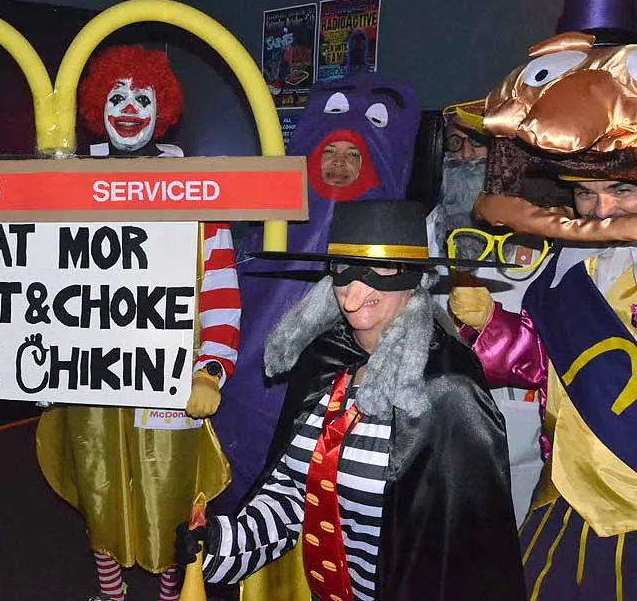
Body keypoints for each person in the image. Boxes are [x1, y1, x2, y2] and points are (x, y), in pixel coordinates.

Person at [178, 200, 526, 601]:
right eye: (345, 266)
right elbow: (293, 495)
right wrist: (220, 542)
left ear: (414, 278)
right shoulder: (323, 361)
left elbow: (467, 555)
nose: (356, 289)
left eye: (382, 269)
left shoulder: (449, 390)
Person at [450, 0, 637, 599]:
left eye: (621, 192)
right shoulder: (564, 268)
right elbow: (542, 362)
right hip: (564, 496)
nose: (601, 211)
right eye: (585, 194)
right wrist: (489, 328)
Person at [37, 44, 241, 601]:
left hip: (168, 373)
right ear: (96, 105)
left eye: (143, 98)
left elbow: (221, 288)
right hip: (89, 374)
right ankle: (112, 593)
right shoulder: (68, 184)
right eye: (117, 95)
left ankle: (171, 592)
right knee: (97, 482)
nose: (129, 109)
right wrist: (33, 360)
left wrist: (210, 370)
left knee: (168, 488)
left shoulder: (195, 190)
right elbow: (38, 280)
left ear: (163, 108)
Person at [209, 73, 421, 514]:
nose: (339, 164)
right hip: (248, 389)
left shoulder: (395, 240)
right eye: (330, 152)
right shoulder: (270, 226)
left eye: (353, 155)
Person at [424, 112, 545, 527]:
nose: (464, 155)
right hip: (439, 413)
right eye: (455, 145)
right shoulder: (424, 229)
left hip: (517, 417)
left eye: (478, 144)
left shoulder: (542, 232)